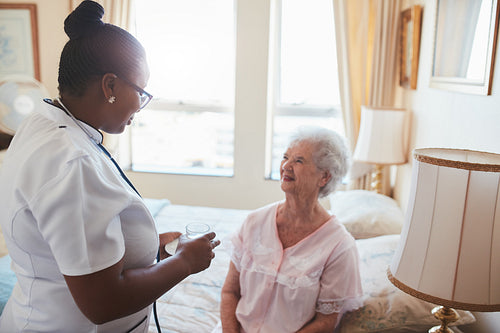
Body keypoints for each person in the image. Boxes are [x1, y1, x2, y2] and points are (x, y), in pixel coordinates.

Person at [0, 1, 219, 332]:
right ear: (110, 86)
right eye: (142, 93)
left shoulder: (44, 122)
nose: (141, 107)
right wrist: (184, 263)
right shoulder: (72, 163)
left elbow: (66, 234)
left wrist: (147, 248)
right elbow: (103, 303)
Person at [218, 126, 363, 333]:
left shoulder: (339, 246)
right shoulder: (254, 222)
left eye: (299, 161)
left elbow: (326, 322)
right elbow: (230, 292)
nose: (286, 166)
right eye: (285, 157)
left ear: (324, 177)